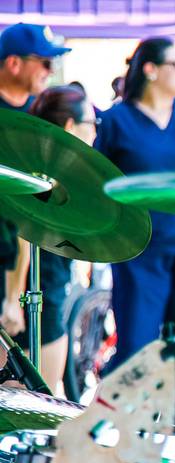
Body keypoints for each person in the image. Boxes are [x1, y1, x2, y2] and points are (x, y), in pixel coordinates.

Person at [93, 37, 175, 423]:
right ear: (151, 70)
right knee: (136, 346)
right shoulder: (117, 121)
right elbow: (97, 178)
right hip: (140, 249)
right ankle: (123, 429)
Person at [2, 86, 97, 392]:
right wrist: (14, 298)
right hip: (31, 296)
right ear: (69, 126)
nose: (95, 133)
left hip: (47, 290)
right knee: (33, 401)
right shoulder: (37, 171)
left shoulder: (45, 164)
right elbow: (21, 235)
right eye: (92, 124)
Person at [0, 23, 70, 348]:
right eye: (44, 62)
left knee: (42, 374)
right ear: (14, 63)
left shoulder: (45, 113)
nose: (50, 70)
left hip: (44, 266)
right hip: (5, 257)